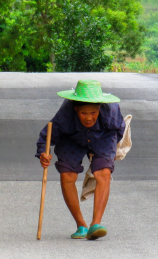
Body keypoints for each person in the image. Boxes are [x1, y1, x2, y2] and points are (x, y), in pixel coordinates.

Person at [35, 79, 124, 240]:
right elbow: (46, 137)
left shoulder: (111, 111)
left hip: (103, 137)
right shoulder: (65, 115)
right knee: (67, 175)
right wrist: (43, 152)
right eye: (84, 113)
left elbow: (119, 130)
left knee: (103, 172)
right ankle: (81, 225)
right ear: (76, 109)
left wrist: (105, 156)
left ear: (99, 108)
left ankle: (95, 225)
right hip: (72, 139)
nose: (89, 118)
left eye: (93, 113)